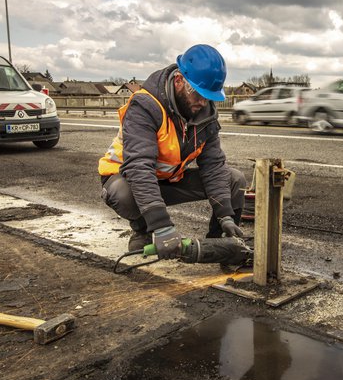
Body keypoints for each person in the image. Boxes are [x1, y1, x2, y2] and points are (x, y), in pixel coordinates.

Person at [98, 44, 246, 259]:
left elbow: (213, 167)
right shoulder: (146, 106)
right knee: (122, 193)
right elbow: (139, 167)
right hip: (130, 179)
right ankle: (143, 230)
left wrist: (225, 215)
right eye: (198, 94)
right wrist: (162, 226)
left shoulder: (206, 114)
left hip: (170, 179)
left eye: (209, 96)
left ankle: (218, 244)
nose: (203, 102)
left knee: (234, 179)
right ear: (179, 81)